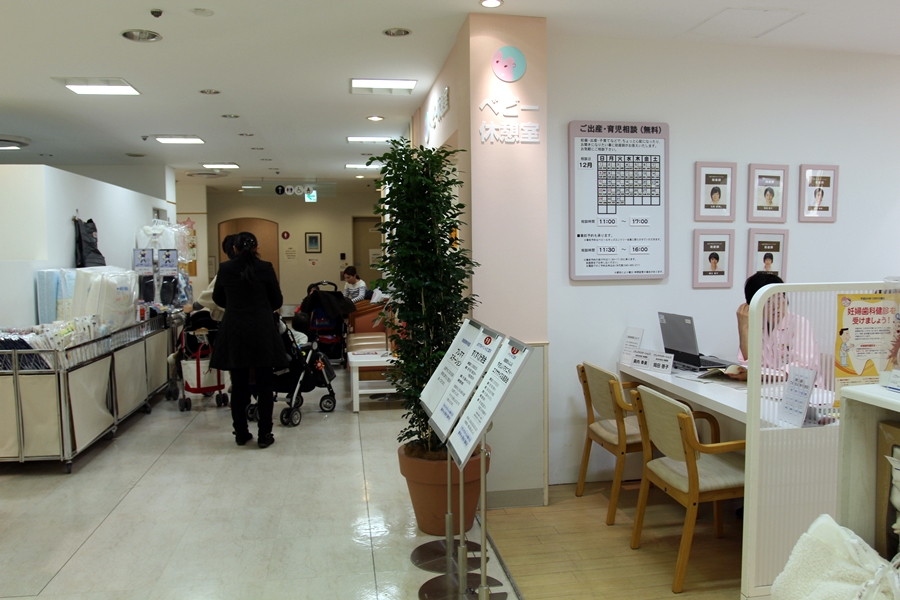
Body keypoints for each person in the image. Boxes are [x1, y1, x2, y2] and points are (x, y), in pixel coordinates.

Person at [209, 232, 286, 448]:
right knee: (264, 384)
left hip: (235, 329)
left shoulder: (226, 268)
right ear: (257, 247)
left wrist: (236, 306)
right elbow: (277, 300)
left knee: (239, 385)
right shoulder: (265, 267)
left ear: (234, 248)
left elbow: (217, 298)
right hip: (262, 329)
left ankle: (241, 433)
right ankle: (265, 434)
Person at [730, 272, 821, 383]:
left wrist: (761, 375)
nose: (776, 306)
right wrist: (743, 327)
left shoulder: (799, 323)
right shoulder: (757, 326)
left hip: (801, 388)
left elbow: (804, 365)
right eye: (768, 301)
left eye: (779, 298)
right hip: (768, 387)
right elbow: (749, 365)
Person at [183, 234, 237, 320]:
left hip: (232, 319)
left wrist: (194, 306)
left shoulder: (227, 270)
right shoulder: (258, 268)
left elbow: (212, 294)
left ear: (234, 249)